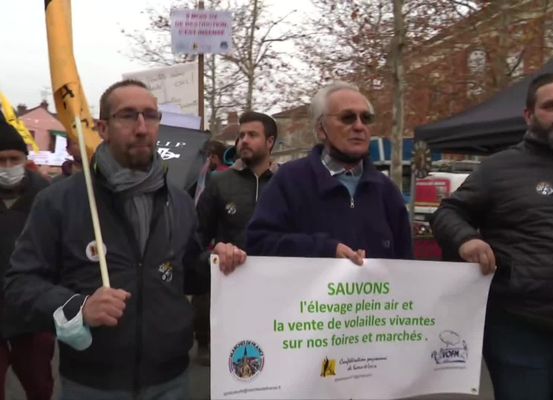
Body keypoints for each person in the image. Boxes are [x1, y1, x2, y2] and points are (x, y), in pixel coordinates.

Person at [4, 79, 246, 399]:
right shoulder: (60, 200)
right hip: (91, 384)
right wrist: (79, 307)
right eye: (128, 116)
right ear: (102, 128)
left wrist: (217, 261)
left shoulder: (180, 200)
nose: (142, 127)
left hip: (170, 380)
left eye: (151, 115)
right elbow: (20, 284)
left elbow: (186, 271)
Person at [431, 73, 553, 400]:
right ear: (528, 116)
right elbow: (448, 213)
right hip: (523, 333)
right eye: (551, 106)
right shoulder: (499, 169)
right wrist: (467, 239)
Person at [246, 81, 413, 263]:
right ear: (321, 130)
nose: (359, 126)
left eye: (366, 118)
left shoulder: (386, 191)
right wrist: (323, 250)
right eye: (347, 118)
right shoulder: (289, 181)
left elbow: (405, 266)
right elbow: (258, 243)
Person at [193, 112, 278, 362]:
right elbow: (196, 236)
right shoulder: (220, 183)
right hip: (228, 296)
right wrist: (214, 251)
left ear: (270, 141)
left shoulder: (287, 183)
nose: (243, 141)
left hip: (275, 298)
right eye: (241, 136)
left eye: (252, 135)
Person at [0, 119, 54, 400]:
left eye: (14, 159)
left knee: (40, 386)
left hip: (33, 313)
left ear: (25, 159)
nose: (8, 167)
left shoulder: (45, 195)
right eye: (1, 160)